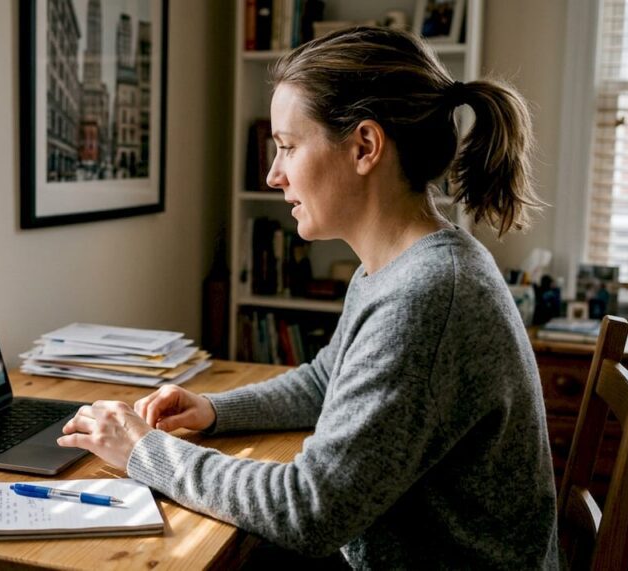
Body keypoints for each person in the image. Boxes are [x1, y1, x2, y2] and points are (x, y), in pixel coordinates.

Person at [57, 26, 559, 568]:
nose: (274, 175)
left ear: (364, 146)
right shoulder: (403, 265)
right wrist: (213, 410)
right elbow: (329, 379)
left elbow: (309, 510)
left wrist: (142, 452)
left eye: (288, 147)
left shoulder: (428, 295)